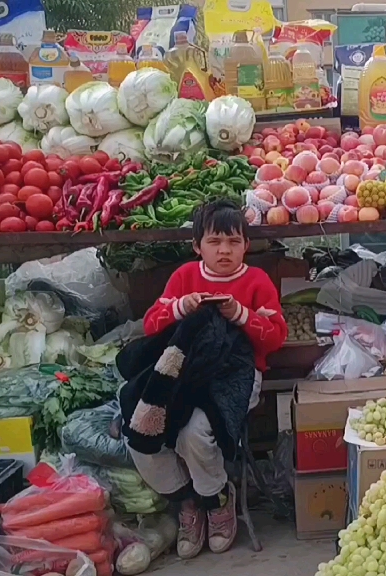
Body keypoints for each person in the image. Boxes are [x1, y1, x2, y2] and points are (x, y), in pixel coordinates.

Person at [131, 199, 288, 559]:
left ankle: (217, 499)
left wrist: (242, 315)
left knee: (194, 433)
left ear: (246, 245)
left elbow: (275, 338)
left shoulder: (256, 281)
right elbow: (151, 325)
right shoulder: (184, 277)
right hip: (180, 376)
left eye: (234, 242)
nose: (224, 251)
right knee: (140, 432)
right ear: (197, 245)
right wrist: (181, 307)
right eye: (215, 241)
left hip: (237, 378)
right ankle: (188, 500)